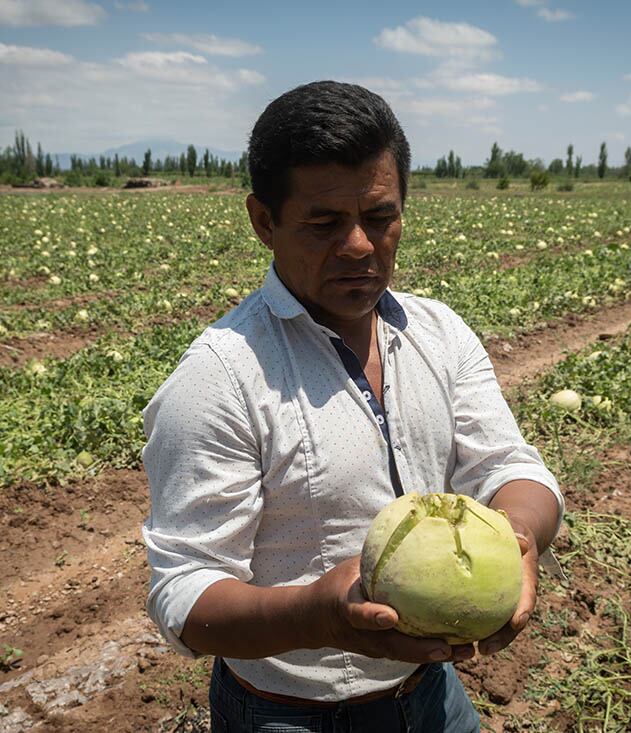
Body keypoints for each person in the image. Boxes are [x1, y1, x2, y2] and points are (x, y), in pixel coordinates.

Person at [141, 80, 564, 733]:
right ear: (263, 221)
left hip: (433, 694)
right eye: (325, 223)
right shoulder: (220, 378)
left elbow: (514, 467)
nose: (360, 246)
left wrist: (518, 539)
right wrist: (318, 613)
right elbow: (184, 592)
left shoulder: (440, 334)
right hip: (287, 715)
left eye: (379, 217)